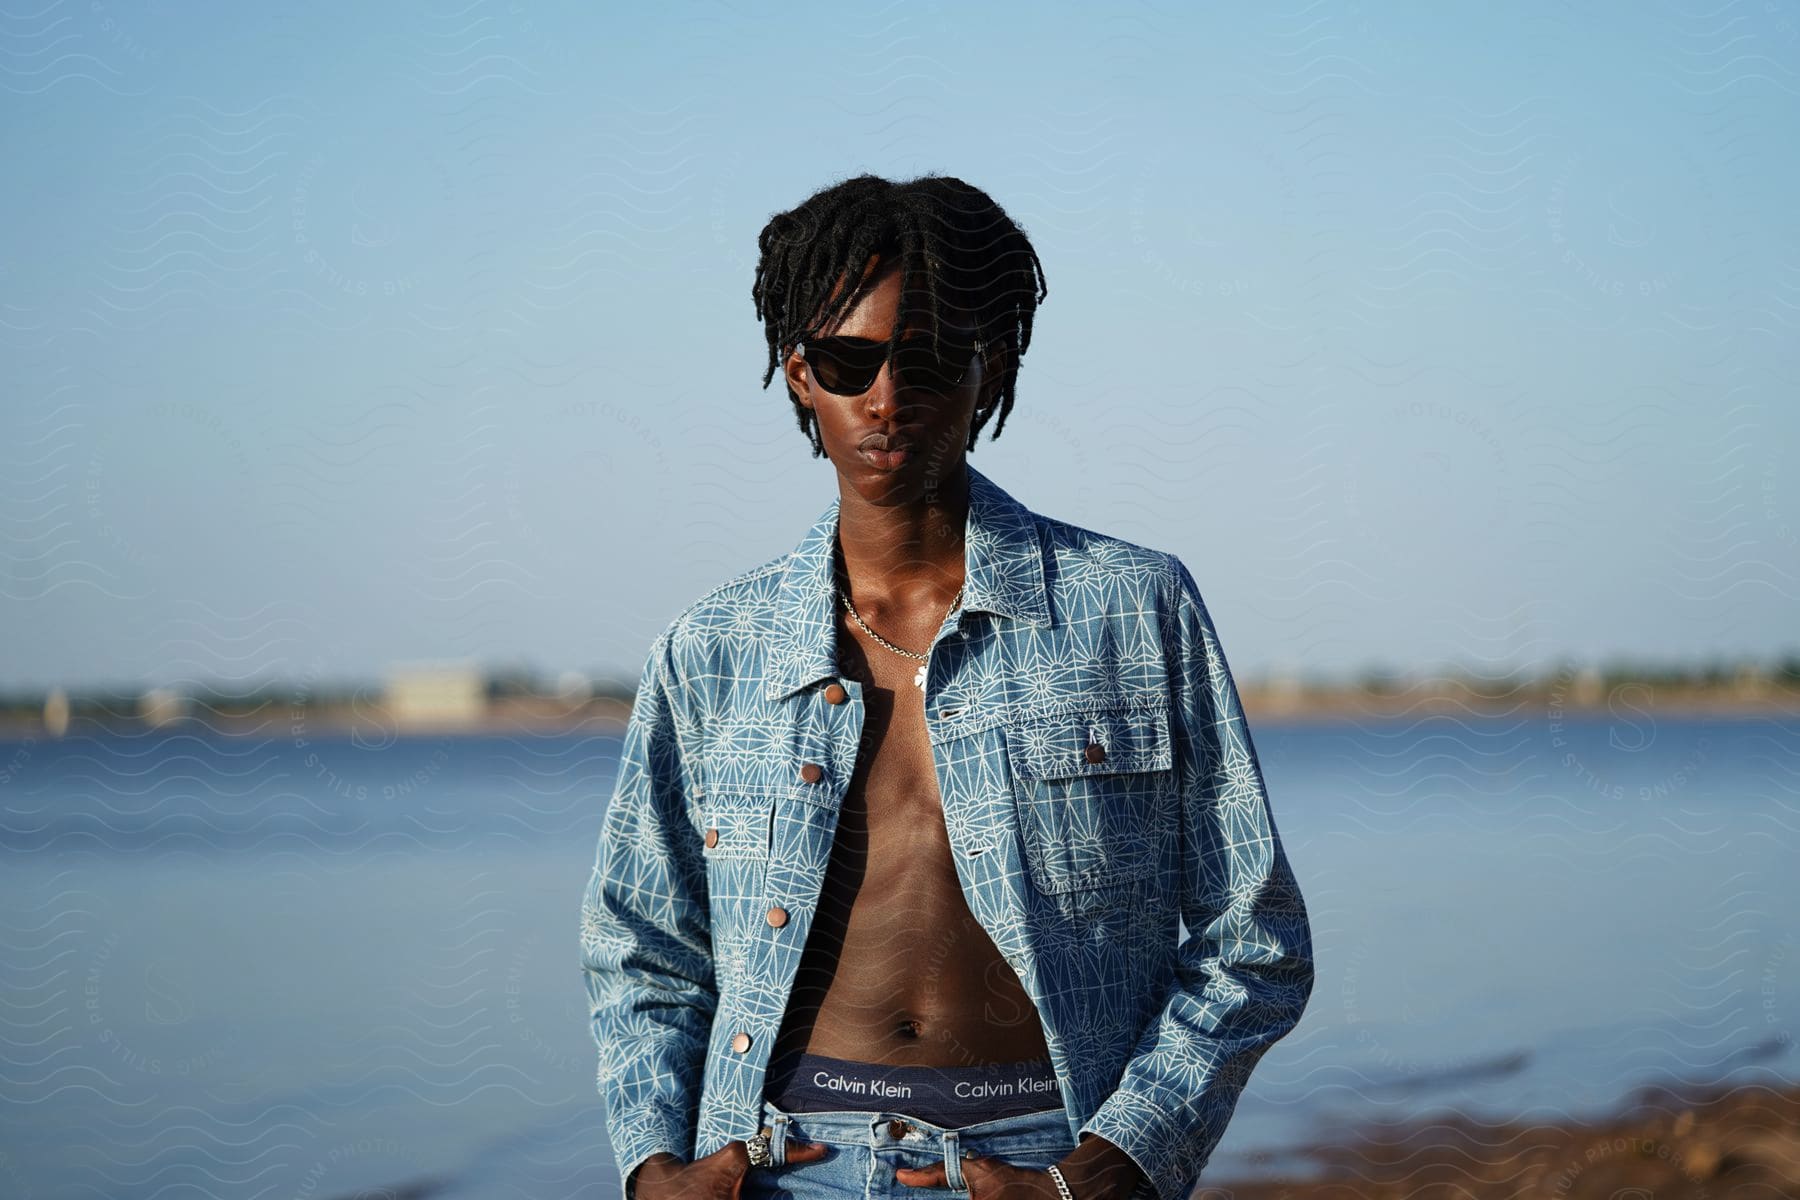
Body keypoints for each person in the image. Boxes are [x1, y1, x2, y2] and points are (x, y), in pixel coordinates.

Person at [581, 173, 1314, 1200]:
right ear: (800, 374)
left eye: (924, 359)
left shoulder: (1131, 609)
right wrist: (654, 1168)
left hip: (1041, 1154)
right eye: (848, 361)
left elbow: (1255, 939)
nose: (885, 398)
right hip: (777, 1165)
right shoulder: (711, 651)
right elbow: (643, 948)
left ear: (990, 364)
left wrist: (1109, 1169)